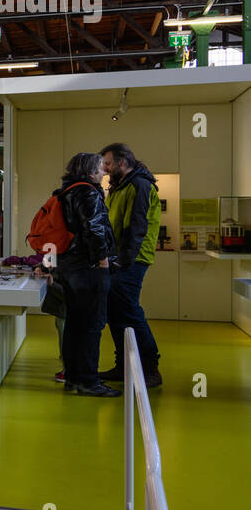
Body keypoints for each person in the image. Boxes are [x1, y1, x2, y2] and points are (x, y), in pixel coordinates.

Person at [57, 152, 120, 397]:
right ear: (89, 171)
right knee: (92, 326)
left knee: (74, 323)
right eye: (100, 168)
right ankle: (89, 381)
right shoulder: (87, 192)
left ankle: (73, 377)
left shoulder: (67, 191)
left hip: (71, 268)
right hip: (89, 268)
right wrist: (102, 260)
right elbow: (93, 228)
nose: (104, 172)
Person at [99, 143, 162, 387]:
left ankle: (150, 368)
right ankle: (123, 366)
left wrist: (122, 260)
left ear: (123, 162)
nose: (104, 168)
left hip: (132, 258)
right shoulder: (118, 187)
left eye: (108, 163)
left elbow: (137, 227)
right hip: (120, 258)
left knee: (129, 310)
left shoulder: (140, 185)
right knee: (116, 310)